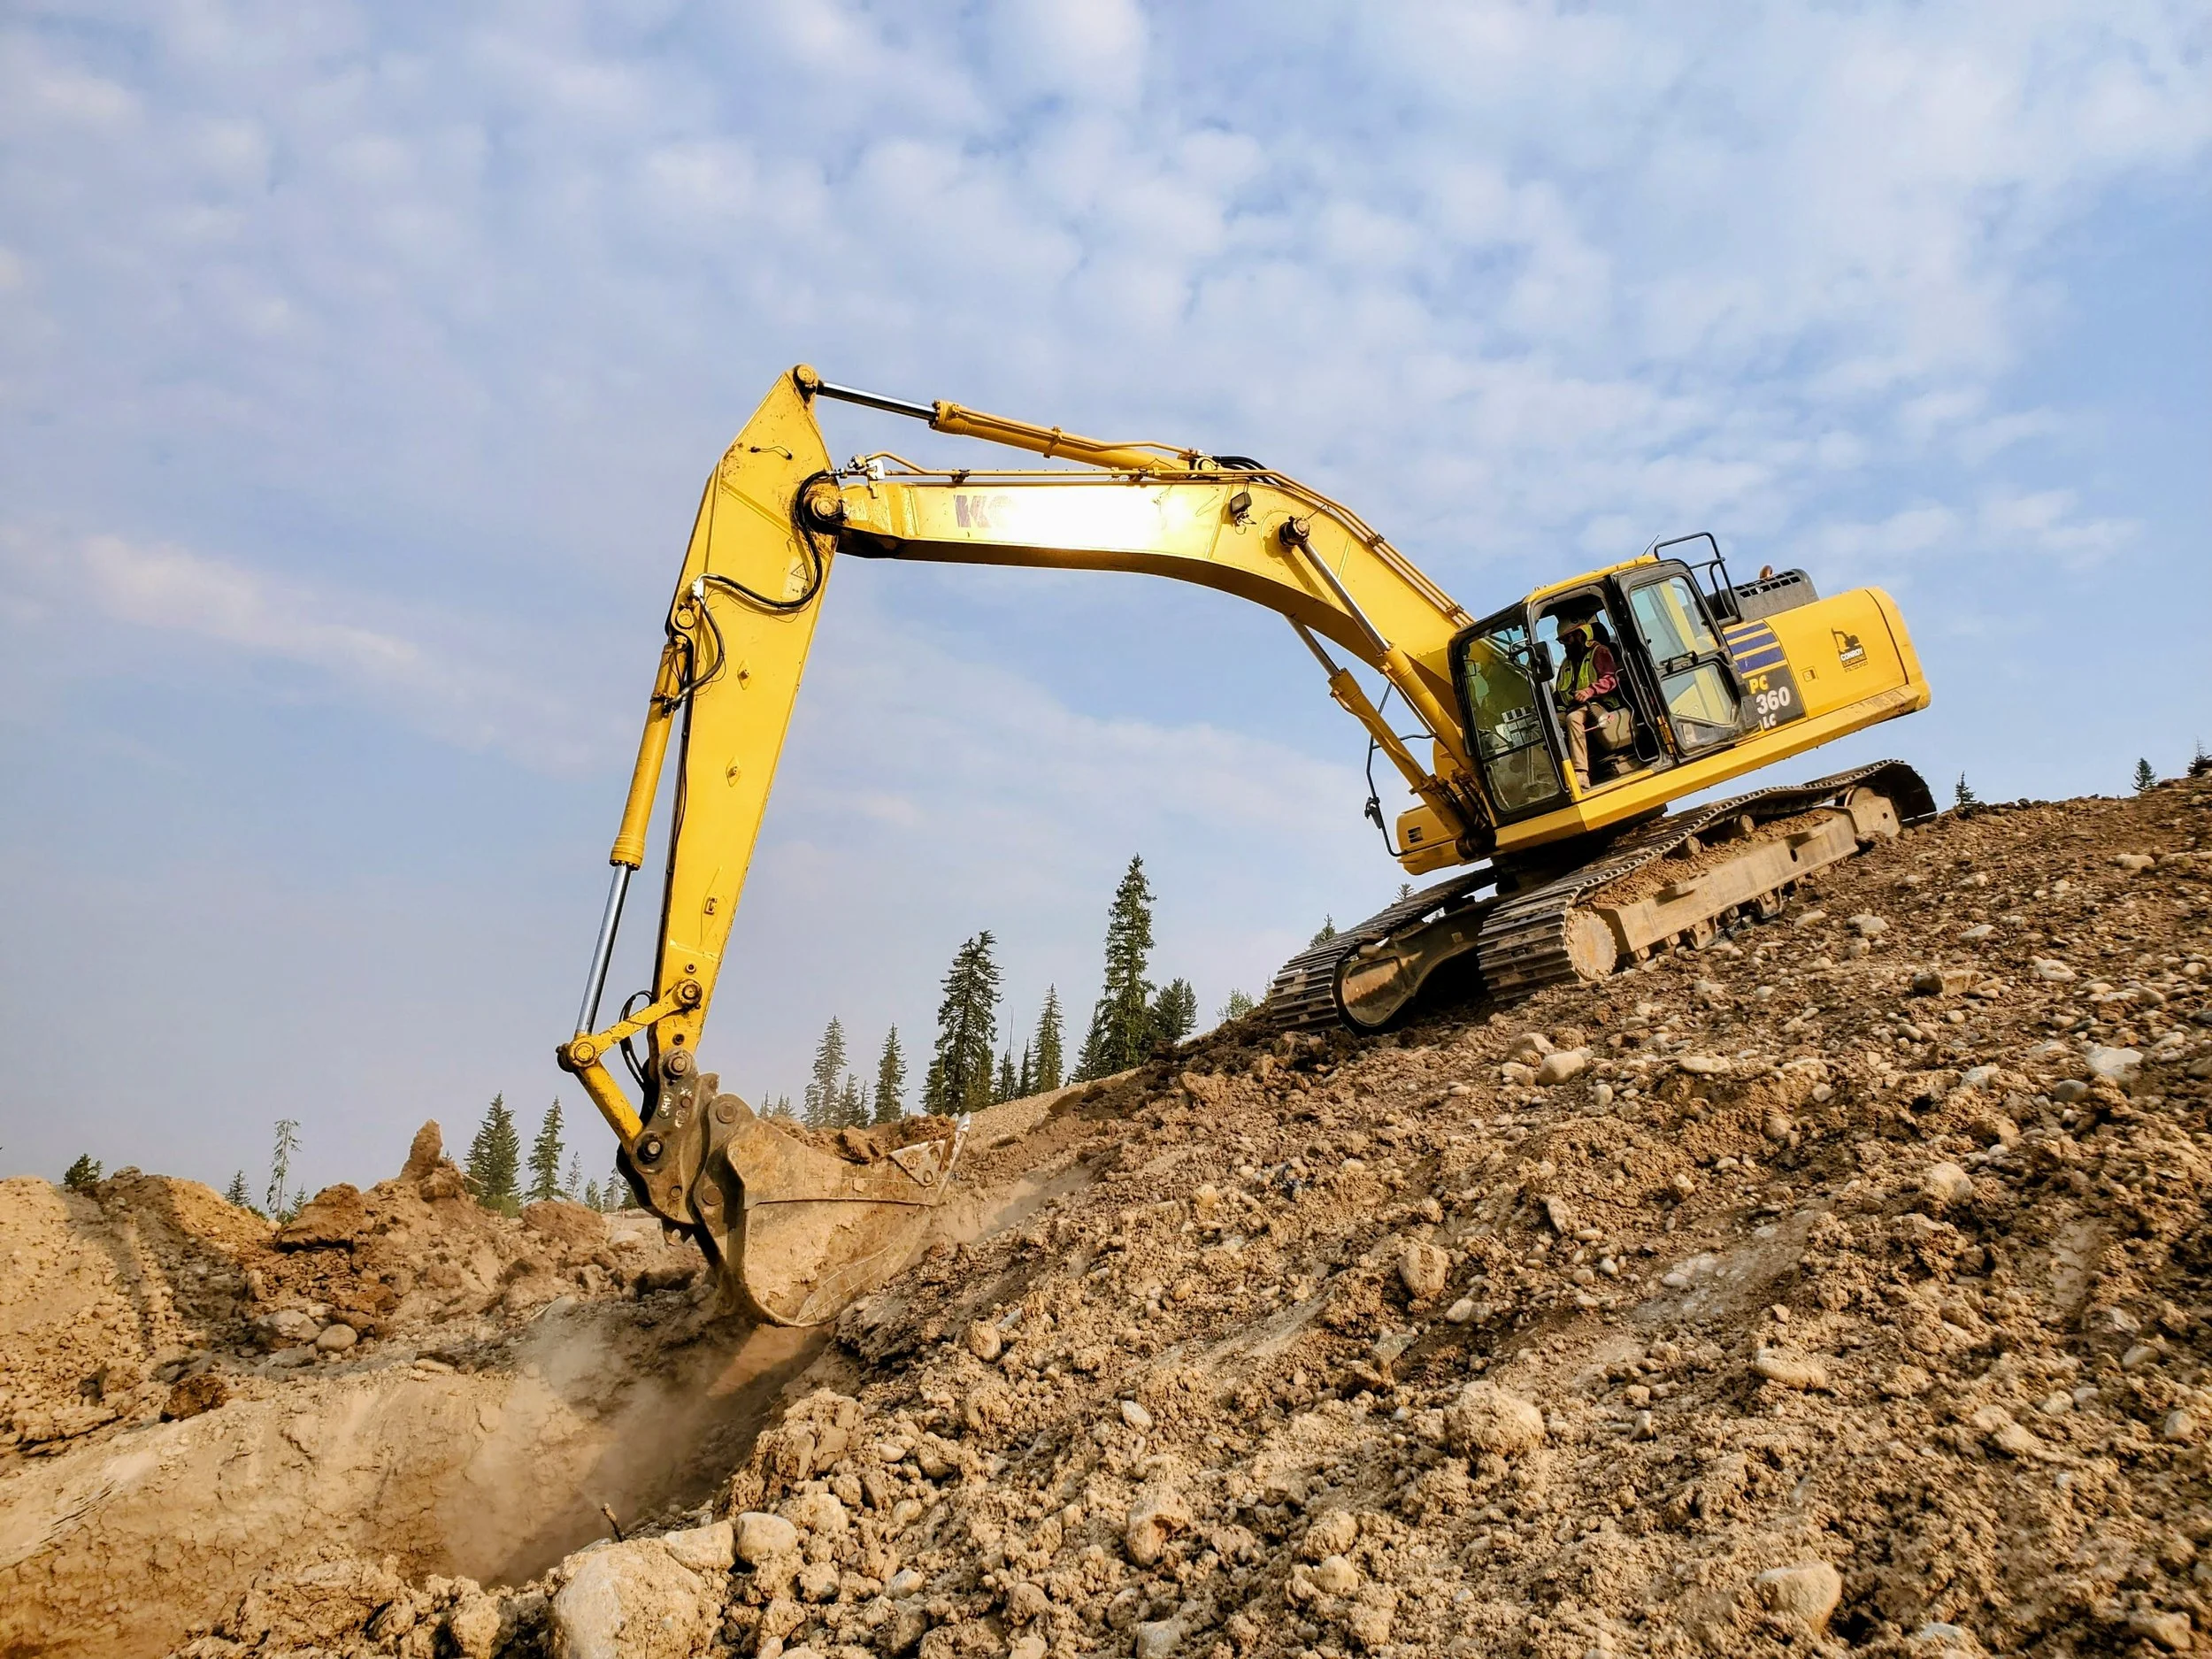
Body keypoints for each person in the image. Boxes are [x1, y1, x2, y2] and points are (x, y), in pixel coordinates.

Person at [1554, 615, 1633, 790]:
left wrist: (1590, 691)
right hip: (1574, 706)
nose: (1565, 644)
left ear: (1581, 634)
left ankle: (1581, 774)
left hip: (1600, 704)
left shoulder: (1599, 652)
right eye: (1562, 641)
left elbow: (1611, 678)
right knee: (1544, 725)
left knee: (1573, 719)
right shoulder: (1566, 664)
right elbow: (1559, 693)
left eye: (1567, 638)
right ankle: (1551, 777)